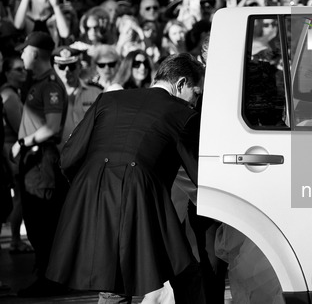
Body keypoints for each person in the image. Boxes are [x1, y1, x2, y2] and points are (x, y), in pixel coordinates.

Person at [46, 53, 205, 304]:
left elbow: (69, 157)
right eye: (195, 93)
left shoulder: (108, 99)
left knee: (115, 283)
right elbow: (200, 175)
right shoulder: (182, 114)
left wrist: (91, 190)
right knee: (185, 274)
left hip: (93, 192)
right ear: (181, 83)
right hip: (140, 195)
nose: (195, 102)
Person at [11, 31, 68, 297]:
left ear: (35, 53)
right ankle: (44, 276)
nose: (22, 54)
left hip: (42, 162)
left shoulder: (51, 86)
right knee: (35, 222)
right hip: (33, 162)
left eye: (25, 50)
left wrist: (23, 143)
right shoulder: (38, 82)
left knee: (42, 223)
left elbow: (53, 127)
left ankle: (50, 280)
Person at [1, 56, 33, 254]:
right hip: (12, 152)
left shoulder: (13, 93)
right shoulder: (9, 96)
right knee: (20, 198)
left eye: (24, 69)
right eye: (18, 69)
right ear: (7, 72)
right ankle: (15, 239)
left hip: (13, 150)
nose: (23, 72)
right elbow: (21, 127)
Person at [52, 46, 102, 147]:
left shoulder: (96, 93)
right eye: (61, 66)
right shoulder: (48, 95)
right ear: (54, 67)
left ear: (79, 66)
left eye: (71, 66)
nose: (67, 71)